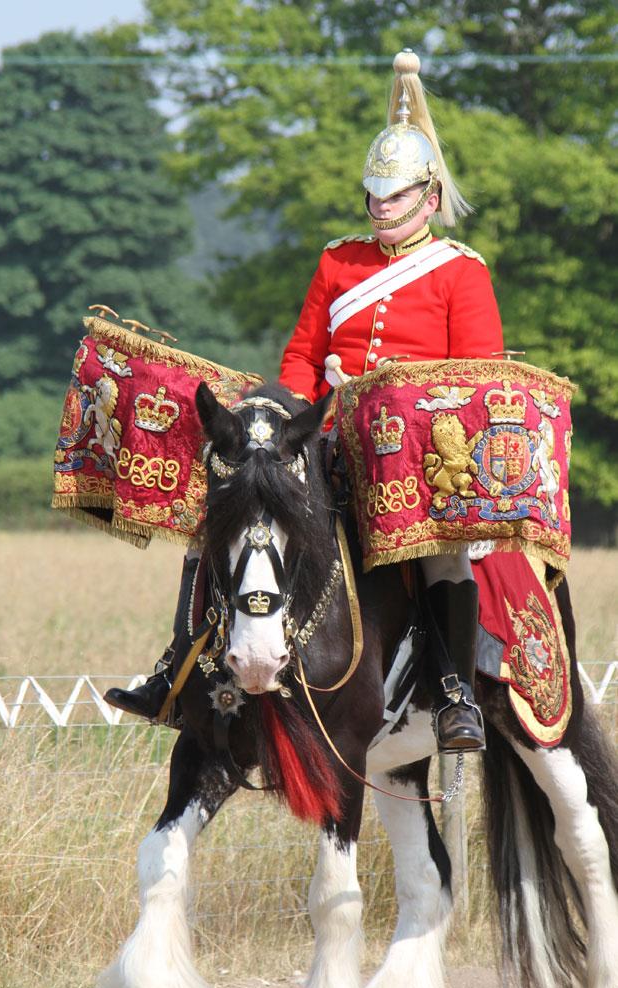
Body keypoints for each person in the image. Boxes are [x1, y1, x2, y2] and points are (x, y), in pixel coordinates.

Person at [107, 49, 502, 752]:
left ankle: (452, 692)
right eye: (373, 197)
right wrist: (289, 412)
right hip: (321, 437)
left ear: (429, 197)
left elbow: (474, 380)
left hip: (413, 454)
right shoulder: (337, 261)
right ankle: (176, 667)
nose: (381, 209)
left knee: (442, 556)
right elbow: (299, 354)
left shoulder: (461, 275)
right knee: (222, 517)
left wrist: (396, 404)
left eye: (396, 197)